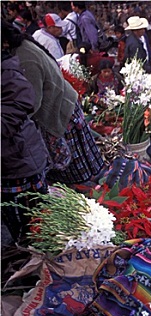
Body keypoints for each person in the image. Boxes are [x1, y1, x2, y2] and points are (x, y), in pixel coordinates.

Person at [2, 20, 104, 185]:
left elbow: (31, 103)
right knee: (83, 165)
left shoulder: (24, 57)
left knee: (76, 172)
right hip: (62, 105)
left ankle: (91, 198)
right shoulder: (21, 47)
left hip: (59, 111)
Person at [1, 49, 49, 243]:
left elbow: (21, 104)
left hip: (19, 160)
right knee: (15, 220)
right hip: (9, 164)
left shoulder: (7, 73)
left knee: (35, 220)